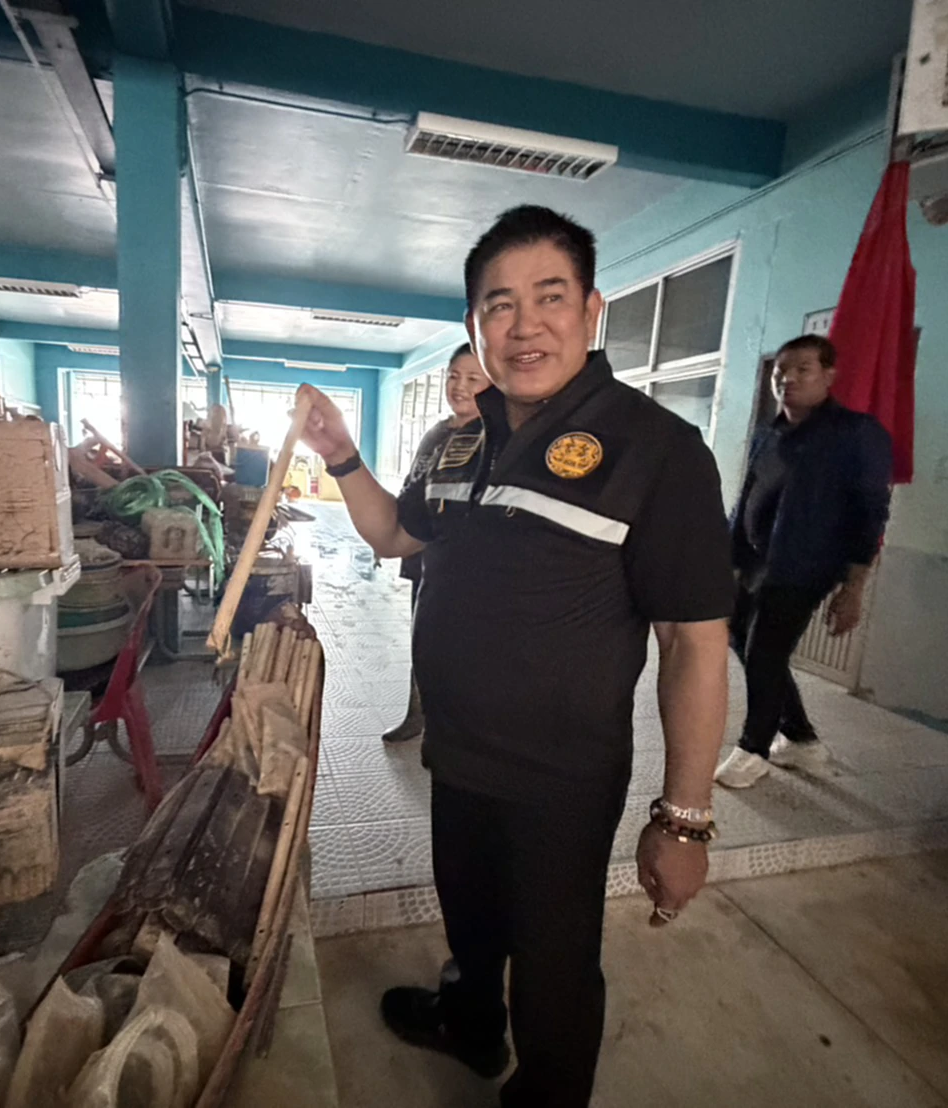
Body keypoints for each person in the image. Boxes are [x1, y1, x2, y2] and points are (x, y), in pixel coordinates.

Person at [296, 205, 735, 1107]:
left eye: (549, 296)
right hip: (458, 754)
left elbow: (693, 644)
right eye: (499, 304)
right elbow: (395, 537)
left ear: (592, 310)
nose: (524, 324)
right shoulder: (462, 441)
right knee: (471, 918)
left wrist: (683, 820)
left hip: (560, 777)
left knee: (554, 965)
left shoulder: (656, 451)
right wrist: (339, 455)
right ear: (474, 325)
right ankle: (470, 1024)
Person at [714, 334, 893, 790]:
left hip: (806, 566)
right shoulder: (769, 433)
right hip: (756, 562)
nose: (788, 379)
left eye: (802, 370)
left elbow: (872, 512)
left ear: (828, 376)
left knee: (765, 651)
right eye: (780, 372)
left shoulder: (855, 433)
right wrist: (728, 559)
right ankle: (800, 738)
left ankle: (753, 749)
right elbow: (748, 496)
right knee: (744, 639)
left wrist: (854, 586)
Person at [383, 343, 490, 743]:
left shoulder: (494, 438)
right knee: (422, 637)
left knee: (461, 649)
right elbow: (413, 486)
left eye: (473, 379)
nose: (460, 387)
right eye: (454, 376)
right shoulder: (437, 433)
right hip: (422, 553)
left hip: (464, 567)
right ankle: (417, 714)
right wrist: (389, 532)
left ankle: (454, 728)